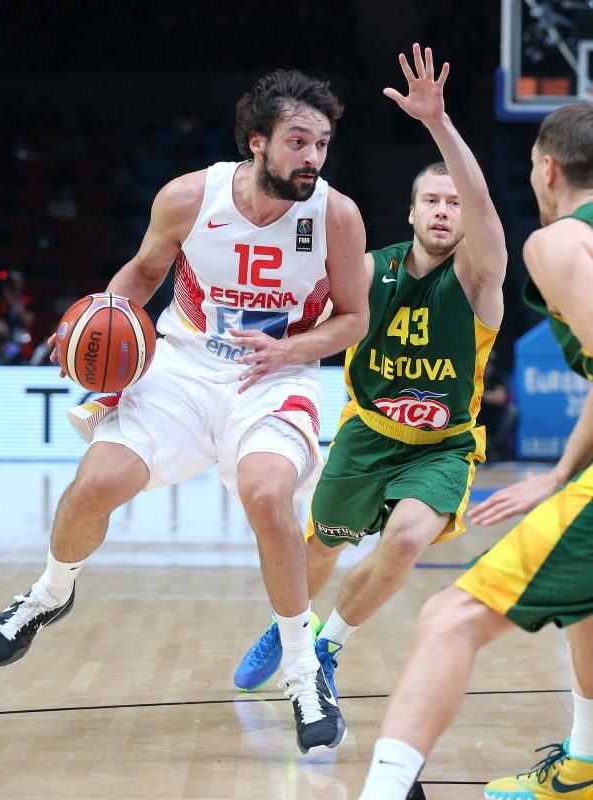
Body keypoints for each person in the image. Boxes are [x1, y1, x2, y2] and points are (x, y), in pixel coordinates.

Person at [0, 68, 370, 756]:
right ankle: (47, 593)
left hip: (275, 376)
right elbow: (142, 276)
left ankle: (304, 672)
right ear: (257, 142)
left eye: (322, 143)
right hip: (182, 368)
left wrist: (293, 349)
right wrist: (92, 325)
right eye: (298, 141)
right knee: (95, 483)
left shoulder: (335, 215)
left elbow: (354, 319)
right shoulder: (191, 197)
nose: (313, 157)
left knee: (269, 492)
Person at [233, 43, 507, 711]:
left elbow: (481, 201)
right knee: (319, 553)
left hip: (443, 445)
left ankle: (327, 646)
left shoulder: (477, 280)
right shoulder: (364, 270)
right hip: (365, 437)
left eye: (453, 203)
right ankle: (286, 623)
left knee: (409, 537)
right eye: (431, 201)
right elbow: (306, 319)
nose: (445, 210)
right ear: (411, 214)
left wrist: (438, 124)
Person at [358, 100, 593, 800]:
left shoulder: (557, 245)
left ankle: (384, 789)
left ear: (546, 169)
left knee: (449, 618)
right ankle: (583, 765)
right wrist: (558, 473)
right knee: (583, 599)